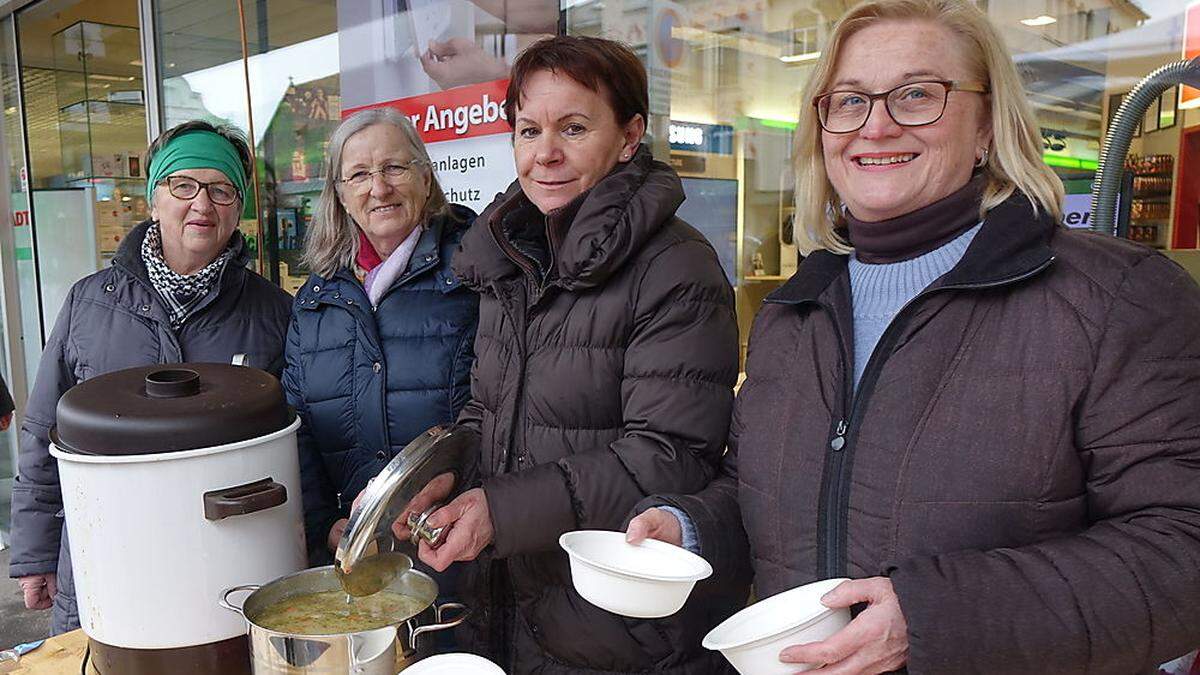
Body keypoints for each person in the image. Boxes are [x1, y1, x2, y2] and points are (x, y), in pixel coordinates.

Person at [629, 0, 1200, 672]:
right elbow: (771, 495)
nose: (875, 124)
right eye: (848, 101)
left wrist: (931, 620)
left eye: (917, 94)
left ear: (987, 124)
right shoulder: (796, 314)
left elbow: (1181, 550)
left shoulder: (1117, 299)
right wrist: (692, 528)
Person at [395, 35, 749, 674]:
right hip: (509, 602)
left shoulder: (675, 267)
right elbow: (488, 412)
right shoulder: (514, 262)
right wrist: (449, 475)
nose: (545, 153)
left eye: (575, 127)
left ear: (630, 134)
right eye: (528, 130)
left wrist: (500, 511)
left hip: (615, 626)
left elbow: (668, 456)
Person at [9, 121, 292, 635]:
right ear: (153, 199)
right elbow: (44, 430)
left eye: (221, 189)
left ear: (238, 207)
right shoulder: (88, 303)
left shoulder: (275, 313)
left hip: (228, 563)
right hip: (107, 556)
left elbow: (298, 446)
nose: (202, 204)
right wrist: (34, 550)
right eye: (183, 185)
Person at [282, 108, 478, 567]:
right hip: (357, 557)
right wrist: (323, 521)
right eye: (359, 175)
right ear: (341, 195)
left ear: (426, 178)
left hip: (459, 550)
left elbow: (502, 410)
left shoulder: (475, 275)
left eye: (394, 168)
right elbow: (297, 428)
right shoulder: (315, 301)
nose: (379, 188)